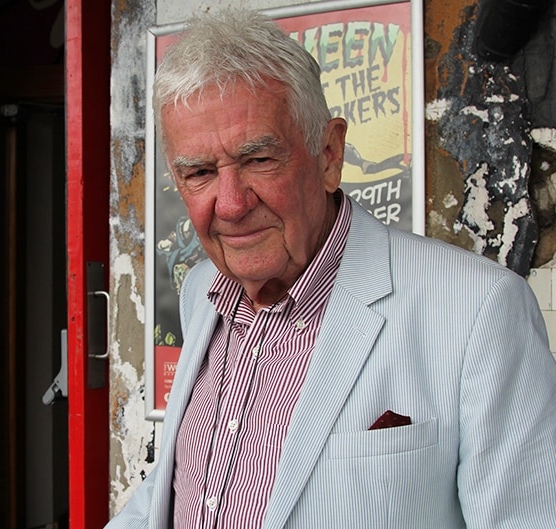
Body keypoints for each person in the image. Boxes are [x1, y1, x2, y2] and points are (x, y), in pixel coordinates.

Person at [106, 8, 556, 529]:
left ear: (329, 153)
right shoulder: (203, 290)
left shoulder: (481, 310)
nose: (229, 205)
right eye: (200, 172)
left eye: (258, 160)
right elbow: (179, 487)